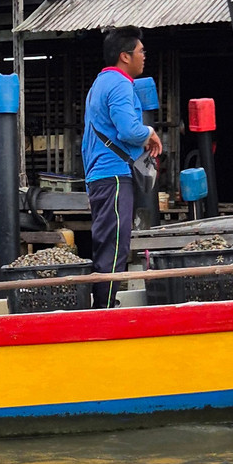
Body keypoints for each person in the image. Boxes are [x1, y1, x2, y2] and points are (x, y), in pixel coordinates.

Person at [82, 26, 163, 309]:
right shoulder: (120, 84)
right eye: (141, 51)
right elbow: (128, 130)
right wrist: (150, 133)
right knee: (115, 244)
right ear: (124, 56)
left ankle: (104, 304)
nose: (144, 56)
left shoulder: (99, 84)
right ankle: (105, 309)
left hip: (101, 175)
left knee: (107, 241)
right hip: (113, 175)